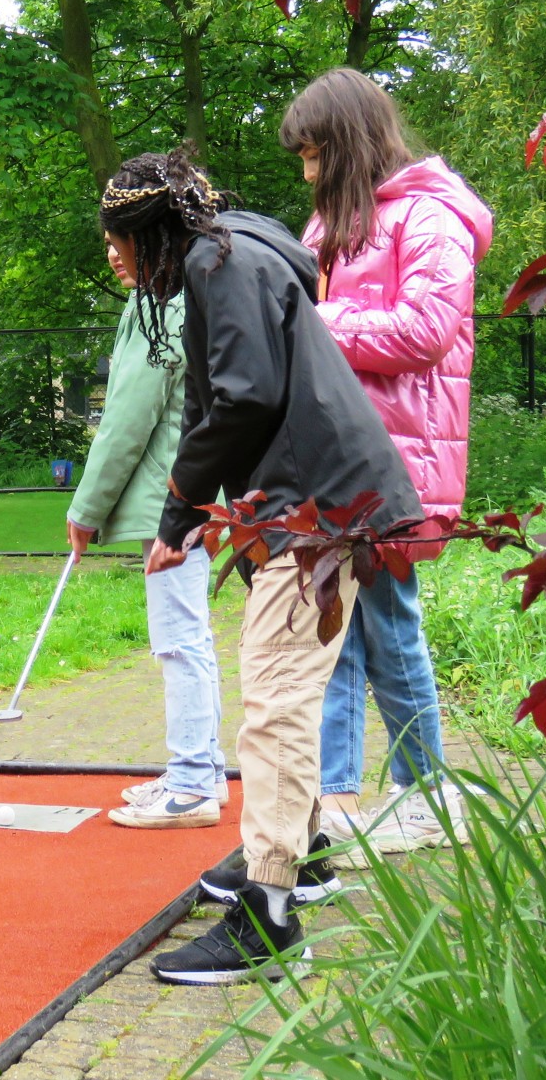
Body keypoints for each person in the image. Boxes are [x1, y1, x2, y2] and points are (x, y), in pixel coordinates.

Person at [111, 148, 422, 986]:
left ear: (155, 231)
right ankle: (308, 850)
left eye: (120, 239)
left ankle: (270, 910)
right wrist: (200, 512)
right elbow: (220, 404)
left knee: (276, 698)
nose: (114, 256)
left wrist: (180, 511)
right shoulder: (229, 258)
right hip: (314, 499)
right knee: (289, 689)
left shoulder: (222, 263)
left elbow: (243, 397)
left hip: (318, 510)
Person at [281, 68, 492, 850]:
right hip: (334, 458)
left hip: (401, 458)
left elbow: (426, 329)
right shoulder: (327, 226)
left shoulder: (430, 218)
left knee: (390, 622)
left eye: (313, 155)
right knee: (331, 622)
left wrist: (319, 321)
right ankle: (334, 799)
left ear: (347, 144)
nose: (305, 173)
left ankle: (429, 797)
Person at [65, 239, 225, 829]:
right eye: (103, 241)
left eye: (118, 241)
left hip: (173, 500)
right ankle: (202, 771)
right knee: (192, 636)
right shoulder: (179, 300)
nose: (109, 253)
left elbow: (127, 418)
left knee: (178, 638)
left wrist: (86, 508)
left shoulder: (160, 308)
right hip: (191, 493)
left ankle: (189, 785)